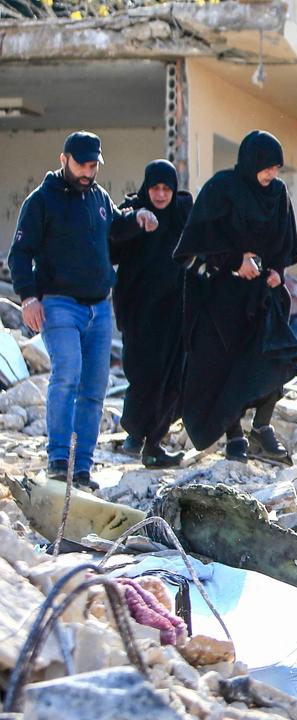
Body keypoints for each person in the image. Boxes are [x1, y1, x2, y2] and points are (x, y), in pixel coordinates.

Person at [8, 131, 158, 490]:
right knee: (68, 374)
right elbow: (19, 254)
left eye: (94, 165)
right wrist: (28, 298)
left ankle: (82, 469)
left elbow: (116, 226)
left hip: (99, 309)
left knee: (94, 388)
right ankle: (59, 460)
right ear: (64, 160)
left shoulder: (98, 198)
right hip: (59, 304)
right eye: (83, 164)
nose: (89, 171)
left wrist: (137, 217)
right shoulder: (41, 201)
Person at [173, 130, 297, 462]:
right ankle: (235, 436)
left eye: (276, 168)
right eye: (267, 167)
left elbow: (284, 245)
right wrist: (234, 262)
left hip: (263, 296)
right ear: (251, 163)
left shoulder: (278, 194)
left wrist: (276, 271)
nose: (272, 174)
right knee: (226, 366)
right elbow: (195, 246)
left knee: (278, 356)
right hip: (222, 299)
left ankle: (262, 426)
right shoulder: (221, 189)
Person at [109, 160, 192, 468]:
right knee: (142, 373)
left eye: (166, 189)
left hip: (175, 310)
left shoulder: (183, 212)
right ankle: (134, 433)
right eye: (155, 188)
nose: (160, 195)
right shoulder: (131, 211)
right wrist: (134, 224)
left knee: (173, 379)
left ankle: (154, 445)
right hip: (139, 309)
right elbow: (111, 245)